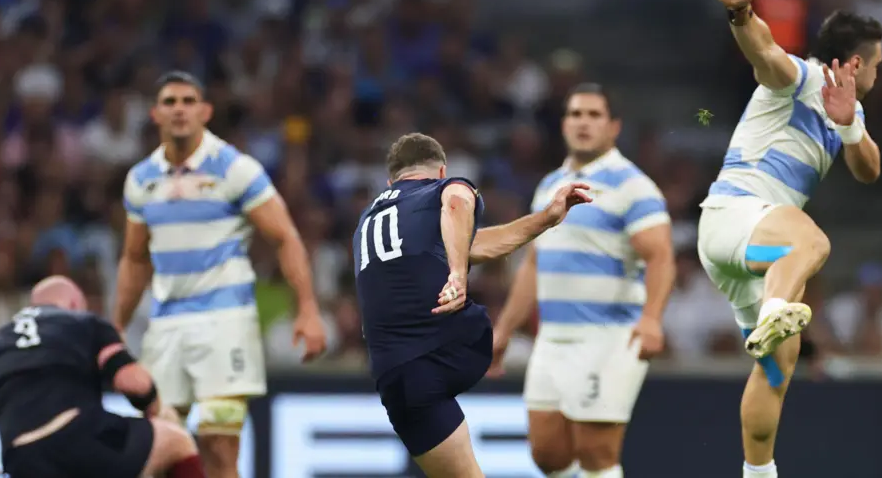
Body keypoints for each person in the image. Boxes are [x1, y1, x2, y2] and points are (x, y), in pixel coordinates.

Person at [700, 0, 882, 478]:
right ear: (853, 64)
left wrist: (849, 126)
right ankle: (778, 305)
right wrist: (739, 12)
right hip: (734, 216)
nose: (877, 73)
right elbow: (765, 54)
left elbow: (868, 169)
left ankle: (758, 474)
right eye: (876, 64)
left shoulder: (853, 113)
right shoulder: (799, 79)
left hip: (750, 252)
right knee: (813, 242)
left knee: (777, 371)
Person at [112, 71, 327, 478]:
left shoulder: (234, 169)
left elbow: (285, 237)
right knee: (159, 446)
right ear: (156, 114)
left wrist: (308, 309)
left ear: (205, 111)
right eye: (170, 102)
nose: (180, 110)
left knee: (218, 446)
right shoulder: (141, 180)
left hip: (225, 322)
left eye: (188, 101)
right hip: (166, 325)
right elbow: (134, 258)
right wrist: (117, 326)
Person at [354, 133, 591, 478]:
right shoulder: (443, 188)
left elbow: (470, 243)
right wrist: (457, 275)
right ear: (441, 170)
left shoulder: (368, 219)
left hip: (395, 376)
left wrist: (546, 219)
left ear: (391, 181)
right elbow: (456, 204)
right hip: (446, 347)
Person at [490, 83, 676, 478]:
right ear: (563, 124)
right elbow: (533, 264)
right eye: (575, 114)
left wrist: (653, 319)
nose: (583, 123)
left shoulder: (633, 186)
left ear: (614, 127)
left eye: (594, 115)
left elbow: (660, 256)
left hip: (609, 336)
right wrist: (503, 331)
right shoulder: (549, 186)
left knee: (596, 452)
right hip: (553, 337)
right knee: (547, 454)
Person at [0, 276, 205, 478]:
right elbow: (134, 383)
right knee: (175, 442)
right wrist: (156, 410)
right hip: (79, 437)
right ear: (74, 303)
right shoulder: (83, 322)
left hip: (22, 460)